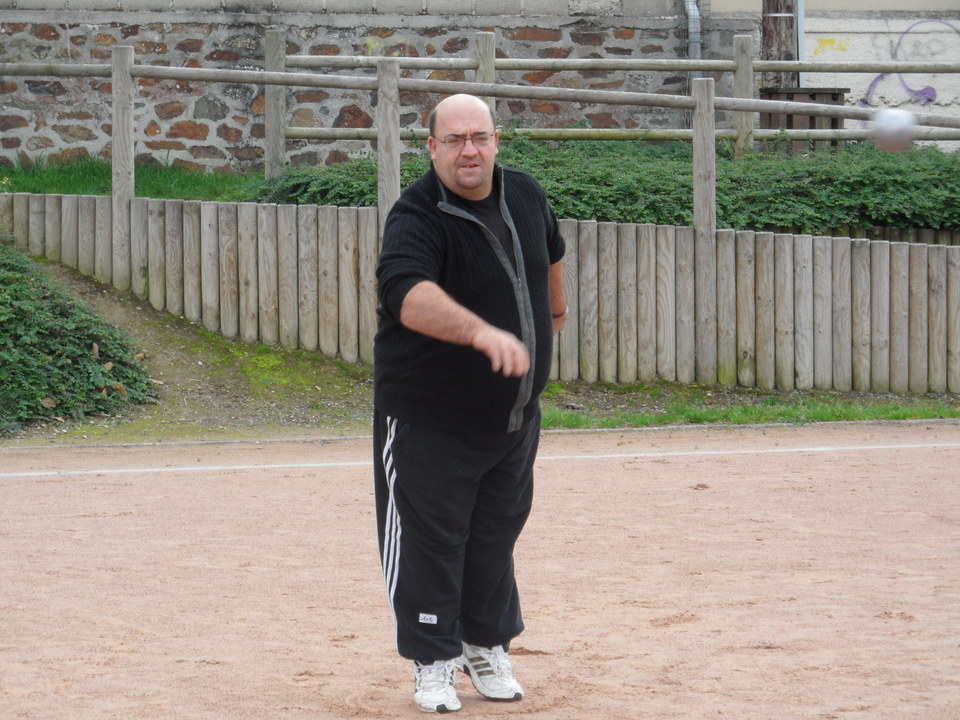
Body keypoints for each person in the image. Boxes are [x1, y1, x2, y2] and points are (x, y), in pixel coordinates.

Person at [373, 93, 567, 713]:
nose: (468, 151)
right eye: (453, 140)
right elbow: (407, 294)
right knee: (432, 541)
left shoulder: (527, 195)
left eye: (478, 137)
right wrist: (481, 331)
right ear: (431, 148)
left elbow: (551, 255)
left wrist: (554, 313)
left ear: (497, 141)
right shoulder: (417, 214)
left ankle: (485, 645)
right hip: (430, 420)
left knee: (494, 538)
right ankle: (433, 662)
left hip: (511, 420)